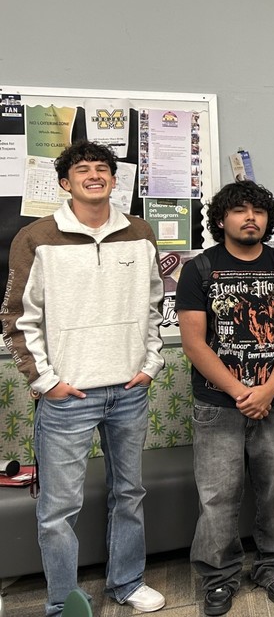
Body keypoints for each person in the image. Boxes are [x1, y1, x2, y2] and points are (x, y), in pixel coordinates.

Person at [0, 140, 166, 616]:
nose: (94, 175)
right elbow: (16, 317)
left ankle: (127, 582)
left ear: (114, 179)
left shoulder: (140, 232)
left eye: (102, 168)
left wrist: (150, 364)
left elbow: (154, 304)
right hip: (67, 396)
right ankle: (62, 603)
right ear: (64, 182)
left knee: (129, 494)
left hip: (129, 391)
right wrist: (46, 382)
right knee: (58, 510)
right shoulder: (35, 238)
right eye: (82, 170)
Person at [176, 181, 274, 616]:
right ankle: (218, 576)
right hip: (218, 404)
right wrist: (240, 392)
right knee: (217, 495)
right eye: (239, 211)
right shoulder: (200, 270)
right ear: (221, 219)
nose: (250, 218)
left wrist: (267, 389)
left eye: (258, 211)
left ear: (268, 220)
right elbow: (194, 343)